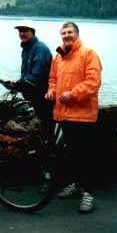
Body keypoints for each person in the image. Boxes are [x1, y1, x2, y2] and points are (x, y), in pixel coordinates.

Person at [45, 21, 102, 214]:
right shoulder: (58, 57)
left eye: (70, 32)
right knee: (72, 155)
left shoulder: (89, 54)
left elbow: (93, 83)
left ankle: (89, 194)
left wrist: (73, 93)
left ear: (77, 34)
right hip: (63, 114)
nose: (67, 35)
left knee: (86, 156)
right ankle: (77, 186)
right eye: (64, 32)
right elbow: (53, 80)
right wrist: (51, 91)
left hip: (83, 115)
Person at [2, 20, 53, 142]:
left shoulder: (40, 49)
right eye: (20, 31)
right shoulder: (26, 49)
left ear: (33, 32)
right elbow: (25, 75)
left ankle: (48, 152)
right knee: (35, 129)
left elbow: (35, 77)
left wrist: (19, 85)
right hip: (32, 97)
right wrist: (14, 85)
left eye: (25, 30)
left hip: (42, 97)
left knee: (45, 129)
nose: (21, 33)